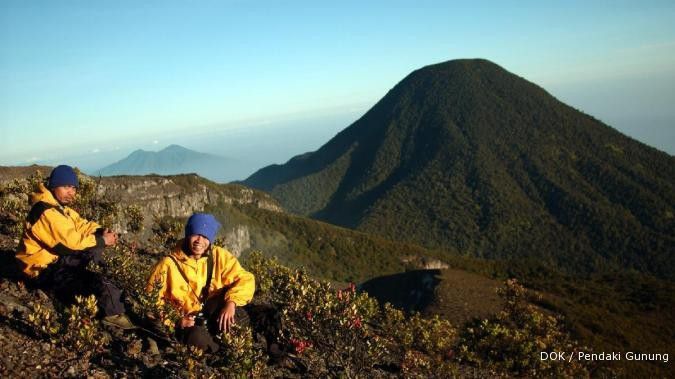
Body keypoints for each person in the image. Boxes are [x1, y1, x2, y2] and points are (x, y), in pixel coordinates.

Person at [15, 165, 134, 329]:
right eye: (66, 186)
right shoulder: (44, 211)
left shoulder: (59, 208)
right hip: (42, 269)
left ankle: (108, 295)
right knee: (94, 280)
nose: (71, 192)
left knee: (96, 256)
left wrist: (100, 231)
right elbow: (68, 244)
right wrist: (102, 241)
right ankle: (112, 313)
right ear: (53, 185)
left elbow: (81, 224)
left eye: (73, 188)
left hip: (57, 261)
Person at [147, 213, 280, 354]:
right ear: (188, 234)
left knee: (258, 315)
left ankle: (248, 346)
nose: (199, 240)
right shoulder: (167, 265)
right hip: (189, 323)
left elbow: (246, 279)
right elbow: (151, 302)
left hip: (212, 313)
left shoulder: (218, 256)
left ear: (210, 240)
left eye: (205, 237)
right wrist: (176, 320)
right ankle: (221, 353)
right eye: (195, 234)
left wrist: (231, 303)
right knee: (196, 338)